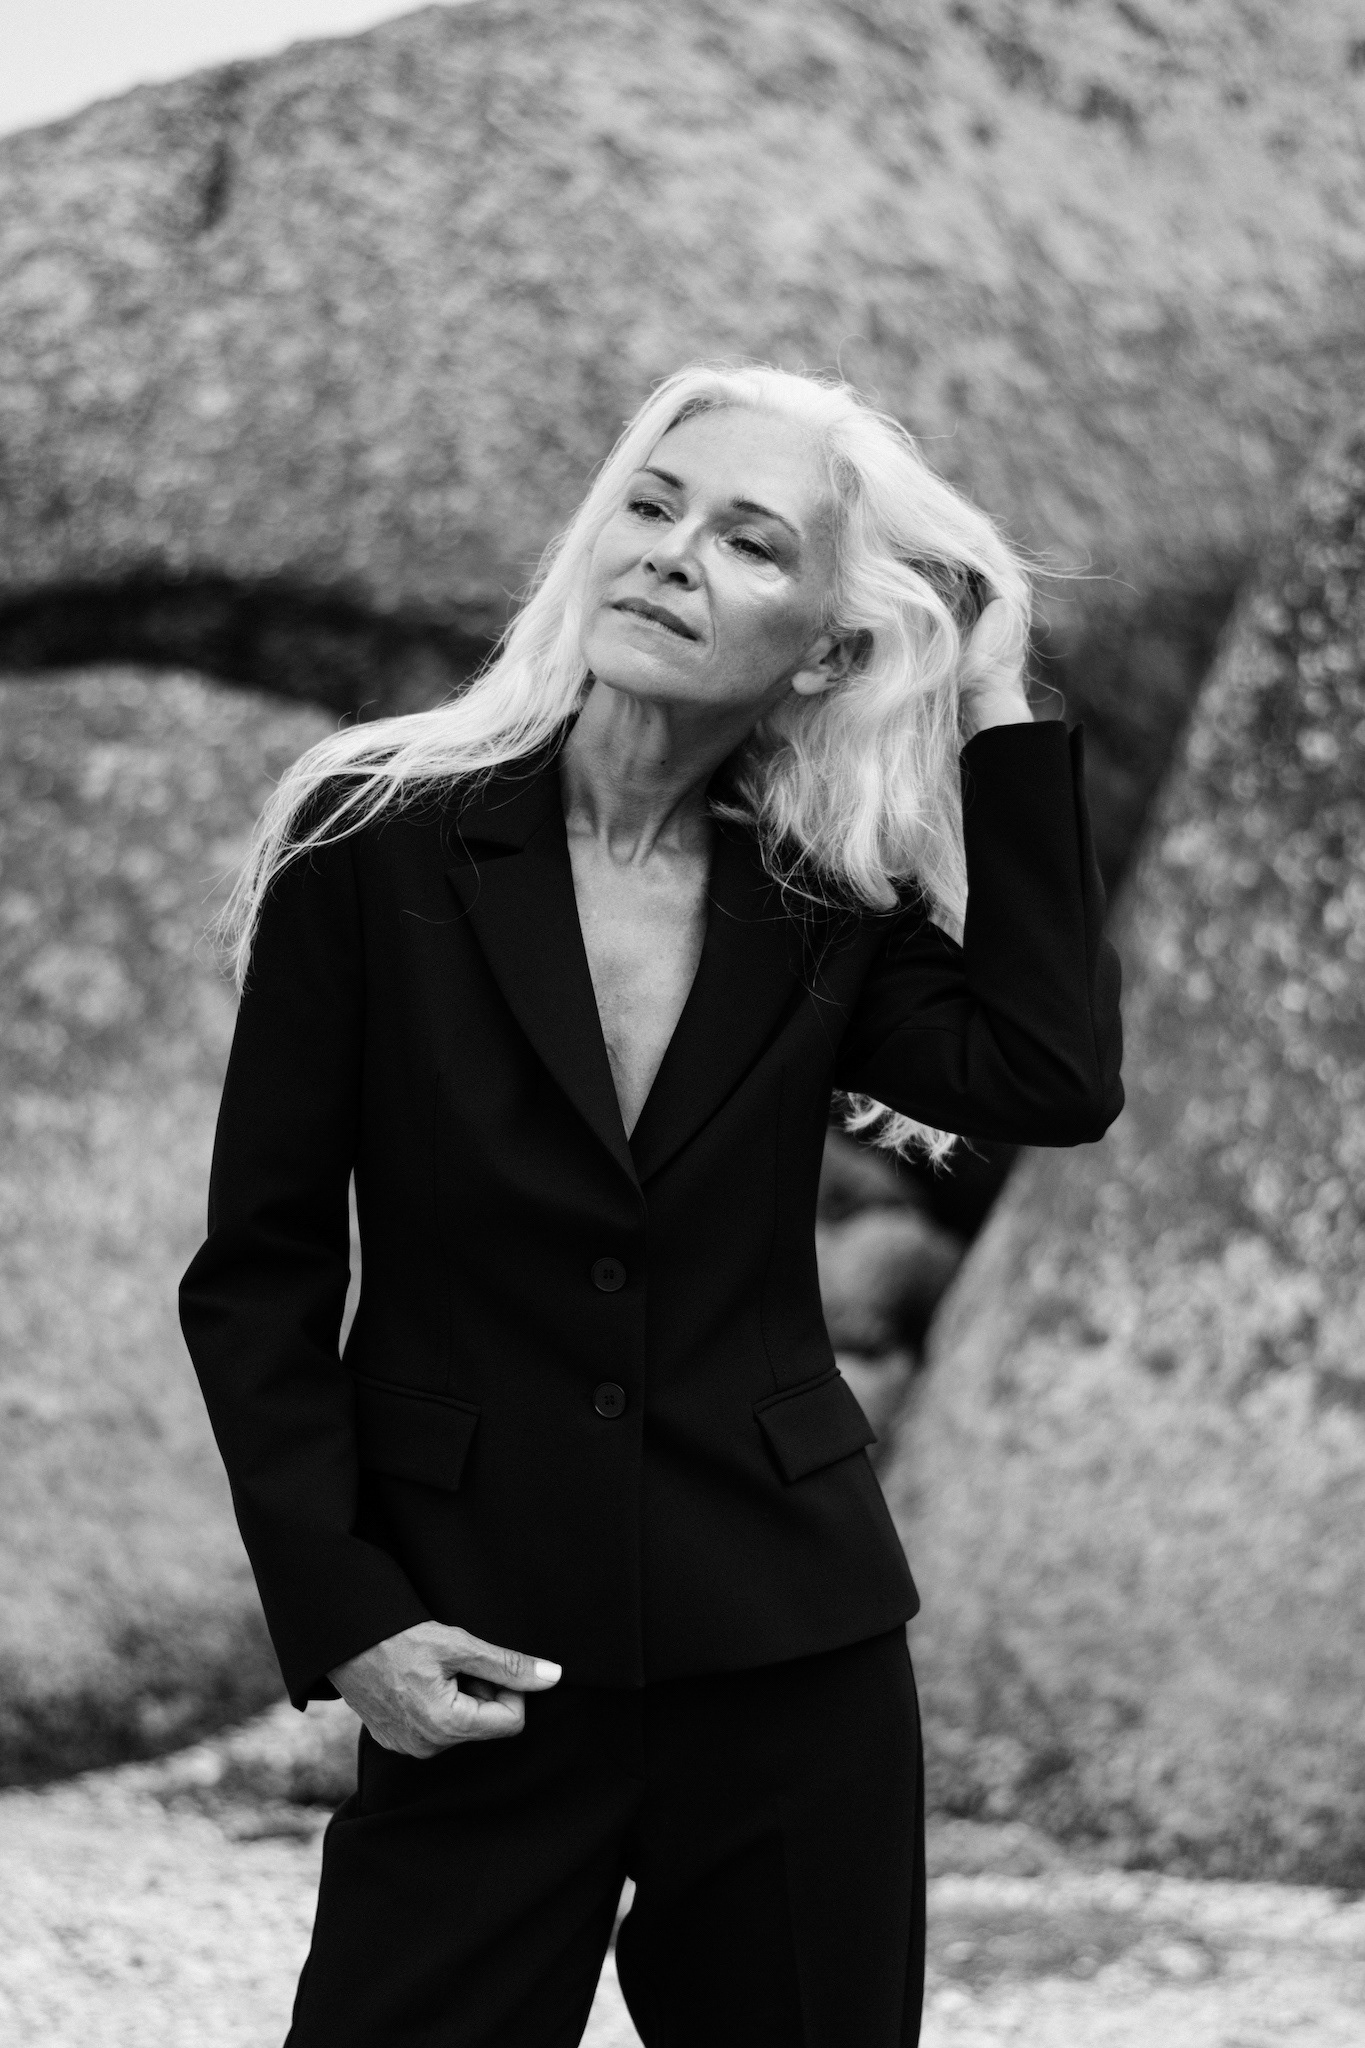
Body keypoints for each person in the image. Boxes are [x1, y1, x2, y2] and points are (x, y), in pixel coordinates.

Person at [180, 362, 1123, 2047]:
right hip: (475, 1654)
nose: (673, 556)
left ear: (827, 648)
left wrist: (997, 704)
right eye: (651, 505)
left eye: (751, 543)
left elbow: (1050, 1076)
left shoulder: (822, 893)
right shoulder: (373, 833)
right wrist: (352, 1619)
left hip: (789, 1650)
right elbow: (256, 1277)